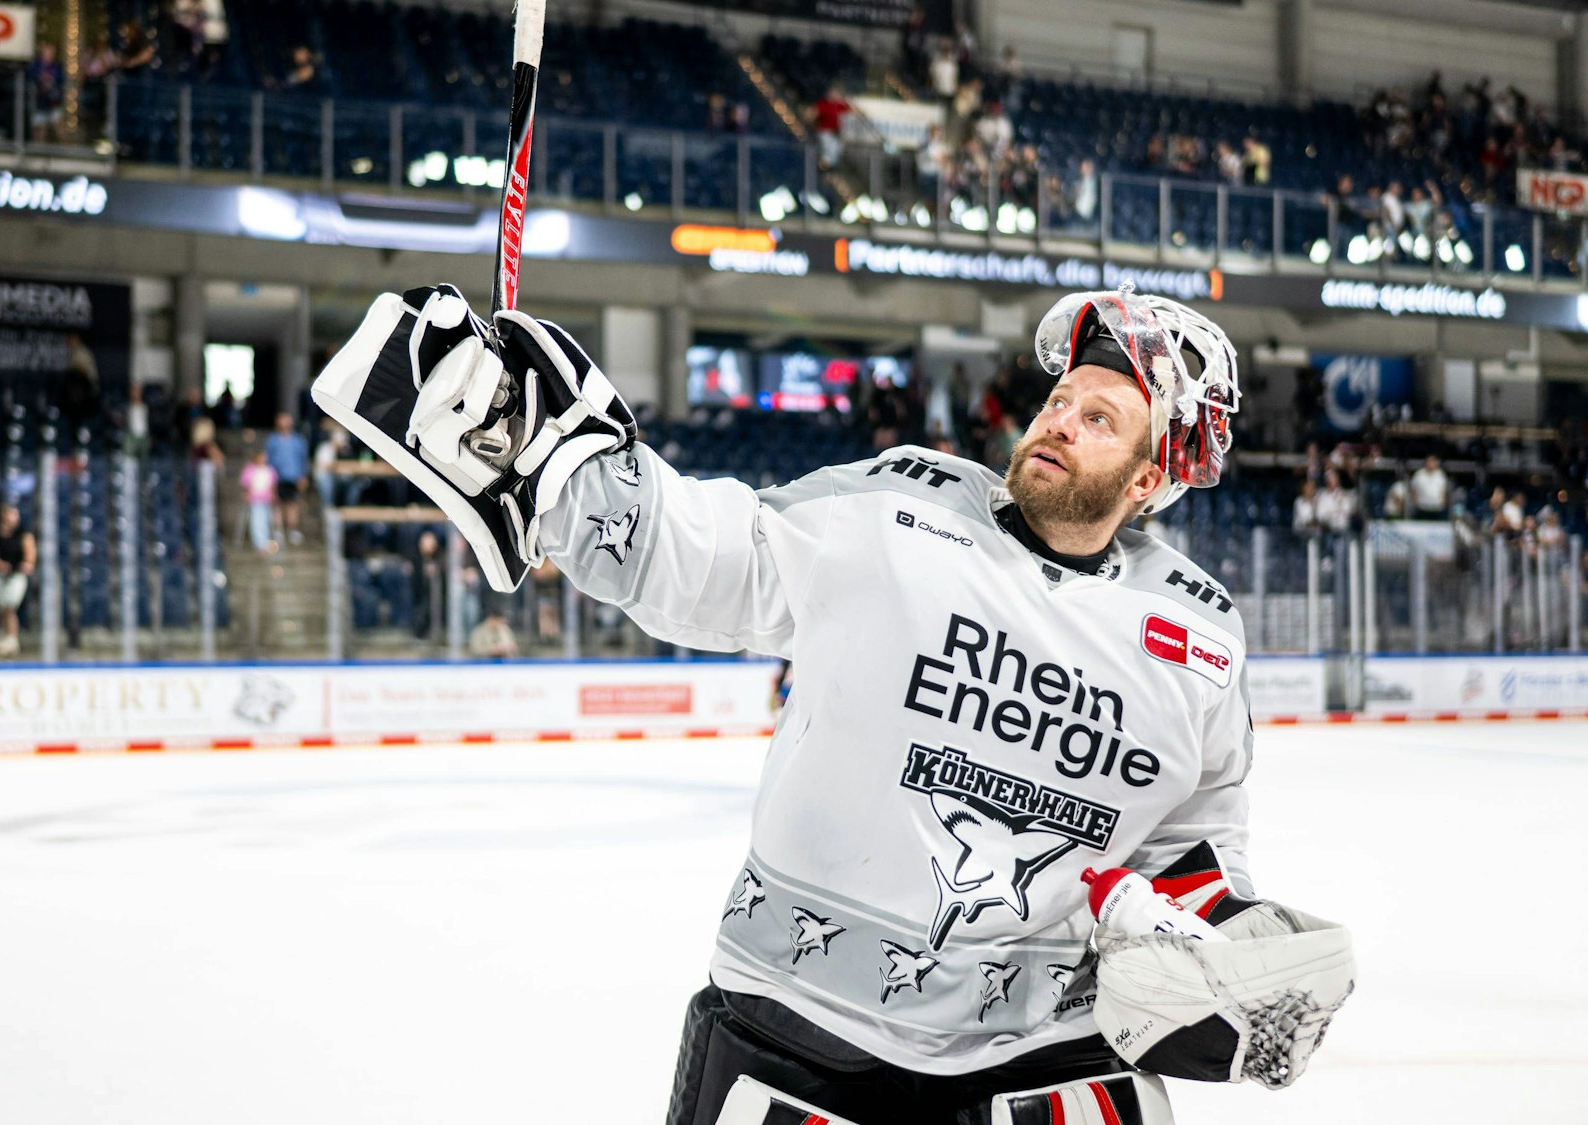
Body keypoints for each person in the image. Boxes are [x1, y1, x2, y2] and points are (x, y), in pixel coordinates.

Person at [314, 283, 1355, 1124]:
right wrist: (559, 470)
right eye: (1055, 402)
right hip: (807, 1032)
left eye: (1098, 419)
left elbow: (1189, 853)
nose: (1056, 423)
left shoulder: (1196, 640)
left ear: (1151, 475)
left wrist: (1226, 941)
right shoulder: (900, 508)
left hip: (1039, 1060)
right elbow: (718, 556)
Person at [0, 504, 35, 656]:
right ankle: (3, 635)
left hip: (17, 575)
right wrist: (1, 565)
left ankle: (12, 638)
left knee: (10, 607)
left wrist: (26, 565)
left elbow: (30, 554)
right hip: (1, 575)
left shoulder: (23, 534)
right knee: (2, 608)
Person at [265, 412, 310, 546]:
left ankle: (292, 529)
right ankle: (277, 530)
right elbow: (269, 459)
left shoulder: (298, 441)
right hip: (277, 477)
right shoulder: (272, 440)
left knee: (292, 504)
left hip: (293, 477)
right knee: (277, 504)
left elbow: (303, 459)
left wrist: (302, 476)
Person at [240, 448, 278, 553]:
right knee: (257, 520)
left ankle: (266, 541)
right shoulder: (250, 469)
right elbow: (246, 483)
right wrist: (247, 493)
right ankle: (259, 543)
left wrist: (274, 494)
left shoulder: (269, 469)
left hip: (267, 498)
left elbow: (273, 483)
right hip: (255, 499)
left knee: (266, 519)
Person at [29, 41, 63, 143]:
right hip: (39, 103)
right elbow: (31, 78)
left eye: (52, 52)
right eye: (47, 52)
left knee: (59, 128)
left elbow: (61, 81)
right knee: (39, 130)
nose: (50, 55)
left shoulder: (57, 67)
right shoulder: (35, 65)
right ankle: (38, 152)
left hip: (54, 103)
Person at [812, 87, 850, 170]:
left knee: (837, 148)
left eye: (836, 93)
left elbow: (852, 110)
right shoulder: (823, 104)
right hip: (825, 131)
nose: (835, 95)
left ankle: (830, 165)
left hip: (836, 132)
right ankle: (825, 163)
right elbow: (813, 112)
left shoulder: (839, 105)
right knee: (827, 147)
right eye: (833, 93)